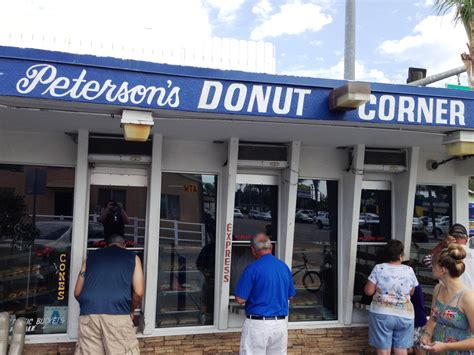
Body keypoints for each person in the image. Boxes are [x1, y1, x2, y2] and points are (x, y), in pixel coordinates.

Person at [73, 234, 144, 355]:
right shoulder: (133, 258)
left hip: (89, 315)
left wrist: (92, 305)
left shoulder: (91, 257)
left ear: (105, 245)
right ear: (125, 245)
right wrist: (130, 310)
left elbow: (77, 292)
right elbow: (138, 292)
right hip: (118, 315)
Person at [234, 233, 296, 355]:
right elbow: (291, 296)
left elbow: (240, 299)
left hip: (257, 325)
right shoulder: (284, 267)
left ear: (253, 250)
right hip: (280, 325)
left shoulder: (252, 268)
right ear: (271, 248)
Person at [364, 240, 418, 355]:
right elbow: (412, 292)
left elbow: (368, 291)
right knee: (401, 349)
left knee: (383, 350)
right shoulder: (409, 270)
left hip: (382, 313)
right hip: (405, 314)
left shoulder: (379, 268)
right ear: (400, 255)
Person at [419, 244, 474, 354]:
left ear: (443, 270)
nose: (432, 268)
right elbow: (433, 318)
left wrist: (446, 347)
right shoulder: (438, 289)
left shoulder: (467, 298)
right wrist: (426, 335)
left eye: (434, 265)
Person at [423, 223, 473, 289]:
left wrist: (441, 245)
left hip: (451, 296)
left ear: (449, 238)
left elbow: (425, 261)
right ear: (466, 238)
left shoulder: (444, 256)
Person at [403, 260, 427, 355]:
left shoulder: (412, 286)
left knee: (416, 348)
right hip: (417, 320)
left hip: (416, 322)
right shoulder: (415, 285)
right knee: (414, 347)